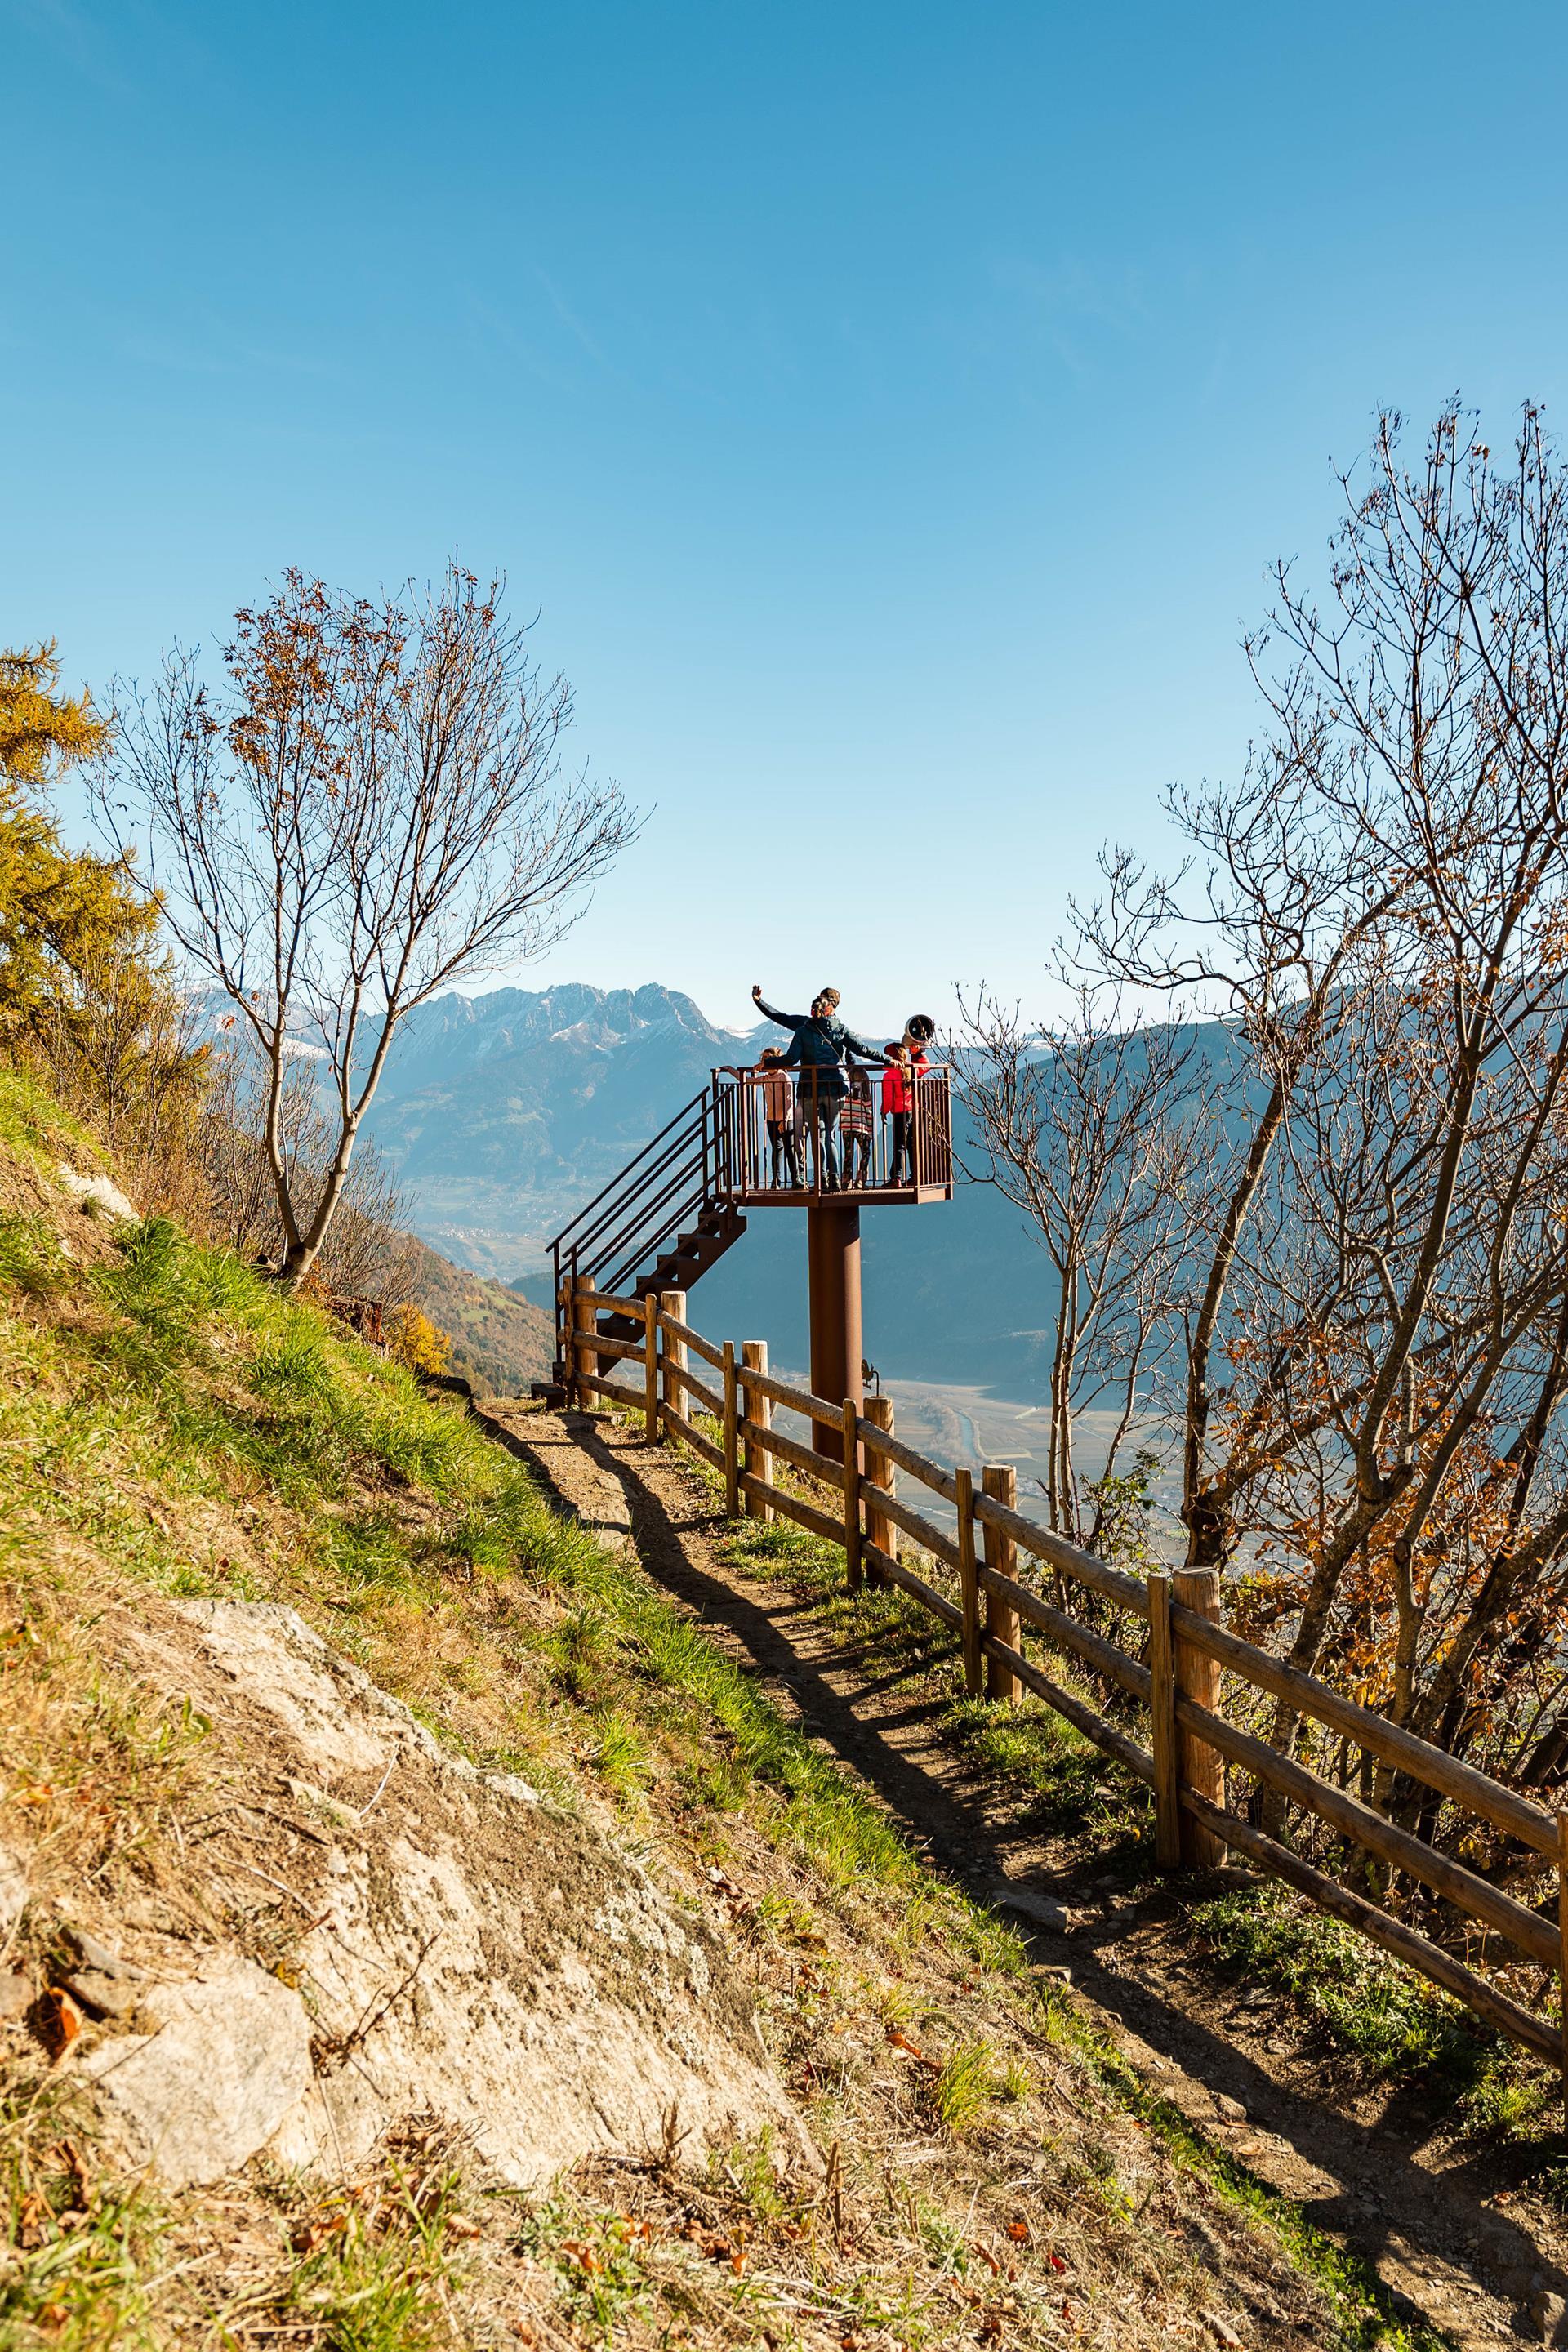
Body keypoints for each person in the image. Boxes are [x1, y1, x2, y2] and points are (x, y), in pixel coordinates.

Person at [751, 983, 890, 1191]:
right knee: (830, 1136)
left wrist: (768, 1063)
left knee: (819, 1136)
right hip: (836, 1088)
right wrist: (888, 1060)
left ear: (826, 1004)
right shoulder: (840, 1029)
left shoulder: (804, 1029)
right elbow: (863, 1049)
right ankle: (834, 1179)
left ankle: (822, 1178)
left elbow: (788, 1047)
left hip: (810, 1089)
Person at [755, 1047, 800, 1187]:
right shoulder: (766, 1078)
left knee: (789, 1149)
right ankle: (776, 1180)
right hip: (771, 1119)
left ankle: (796, 1179)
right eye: (763, 1058)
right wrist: (731, 1070)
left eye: (768, 1058)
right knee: (777, 1149)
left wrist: (784, 1120)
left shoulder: (784, 1078)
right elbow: (748, 1080)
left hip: (787, 1119)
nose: (764, 1061)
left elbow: (789, 1102)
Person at [882, 1040, 913, 1184]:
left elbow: (888, 1098)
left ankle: (896, 1177)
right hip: (912, 1110)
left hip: (900, 1111)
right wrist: (919, 1052)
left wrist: (884, 1111)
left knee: (899, 1145)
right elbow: (925, 1068)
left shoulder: (890, 1075)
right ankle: (915, 1176)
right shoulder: (911, 1070)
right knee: (911, 1144)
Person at [840, 1066, 874, 1187]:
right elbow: (869, 1113)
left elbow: (841, 1109)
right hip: (861, 1127)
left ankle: (845, 1180)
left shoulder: (845, 1092)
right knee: (866, 1152)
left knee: (848, 1154)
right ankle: (860, 1179)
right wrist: (870, 1131)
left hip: (846, 1127)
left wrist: (841, 1123)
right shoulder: (865, 1094)